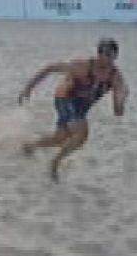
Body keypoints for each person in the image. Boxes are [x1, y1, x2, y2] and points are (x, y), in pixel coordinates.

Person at [18, 38, 129, 182]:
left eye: (110, 55)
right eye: (103, 53)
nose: (106, 58)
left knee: (60, 138)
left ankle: (30, 146)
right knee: (82, 134)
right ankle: (54, 163)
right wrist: (28, 88)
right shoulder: (82, 66)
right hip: (65, 98)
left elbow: (118, 112)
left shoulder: (116, 77)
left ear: (115, 56)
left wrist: (122, 97)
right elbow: (50, 68)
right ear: (98, 53)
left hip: (82, 107)